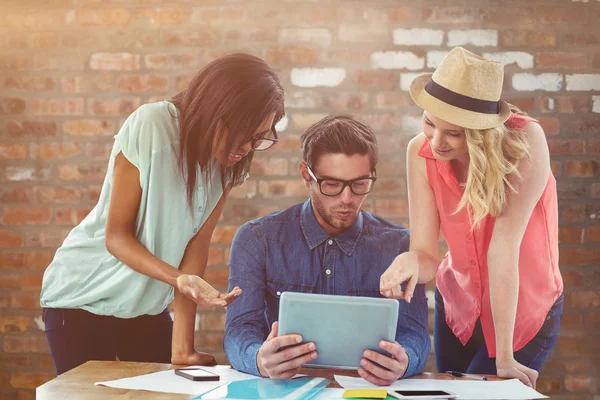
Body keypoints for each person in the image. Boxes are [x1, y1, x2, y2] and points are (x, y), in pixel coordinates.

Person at [39, 53, 285, 374]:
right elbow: (116, 237)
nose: (249, 147)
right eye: (245, 133)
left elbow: (195, 250)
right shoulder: (152, 125)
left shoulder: (229, 166)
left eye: (259, 137)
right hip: (82, 300)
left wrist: (183, 349)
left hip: (144, 309)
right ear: (217, 111)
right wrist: (177, 279)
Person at [379, 47, 563, 388]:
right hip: (459, 309)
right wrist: (407, 261)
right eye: (429, 123)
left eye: (454, 133)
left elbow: (503, 247)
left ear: (481, 131)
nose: (436, 142)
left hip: (521, 312)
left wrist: (505, 357)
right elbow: (427, 255)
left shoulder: (526, 142)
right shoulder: (419, 152)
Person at [224, 115, 430, 386]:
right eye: (331, 184)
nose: (347, 199)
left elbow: (415, 335)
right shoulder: (257, 239)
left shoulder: (399, 246)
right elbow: (239, 330)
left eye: (359, 184)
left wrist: (405, 361)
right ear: (305, 175)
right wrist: (259, 359)